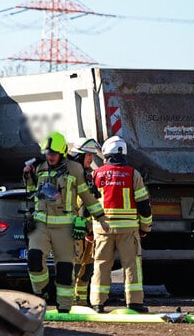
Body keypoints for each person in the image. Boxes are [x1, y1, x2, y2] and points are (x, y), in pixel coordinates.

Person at [24, 132, 109, 313]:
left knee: (64, 270)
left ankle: (64, 308)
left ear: (62, 152)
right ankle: (42, 292)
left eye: (54, 154)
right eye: (48, 154)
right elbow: (32, 192)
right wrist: (28, 177)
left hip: (64, 228)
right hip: (41, 224)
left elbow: (86, 196)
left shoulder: (75, 169)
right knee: (34, 259)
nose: (50, 157)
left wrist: (101, 218)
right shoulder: (39, 168)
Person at [90, 136, 153, 313]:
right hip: (128, 230)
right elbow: (143, 204)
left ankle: (97, 303)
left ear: (106, 154)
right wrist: (145, 227)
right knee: (131, 265)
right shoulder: (133, 174)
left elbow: (88, 204)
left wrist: (88, 229)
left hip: (102, 229)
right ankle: (134, 303)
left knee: (101, 264)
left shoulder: (96, 174)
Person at [68, 137, 102, 305]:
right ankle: (70, 302)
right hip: (76, 229)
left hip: (88, 230)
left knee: (87, 267)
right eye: (88, 155)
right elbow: (80, 206)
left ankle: (81, 302)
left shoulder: (88, 175)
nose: (91, 159)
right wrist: (84, 229)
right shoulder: (73, 175)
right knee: (74, 266)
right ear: (79, 156)